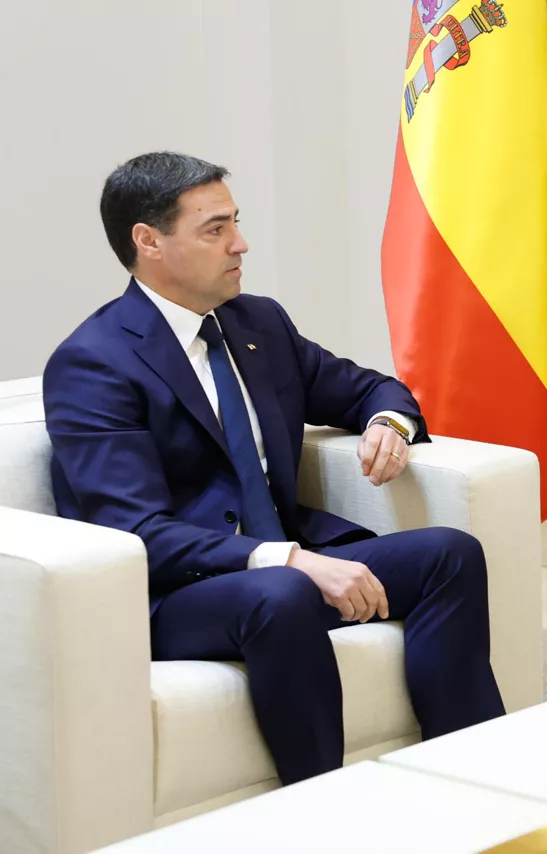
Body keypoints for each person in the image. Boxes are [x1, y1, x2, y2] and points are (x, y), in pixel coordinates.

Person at [43, 152, 505, 783]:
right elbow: (139, 531)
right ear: (148, 242)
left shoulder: (257, 323)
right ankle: (321, 803)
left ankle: (471, 776)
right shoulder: (93, 364)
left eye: (236, 222)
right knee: (281, 592)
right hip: (176, 593)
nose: (240, 244)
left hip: (285, 564)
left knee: (450, 554)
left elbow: (369, 388)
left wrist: (388, 425)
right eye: (215, 229)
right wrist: (288, 560)